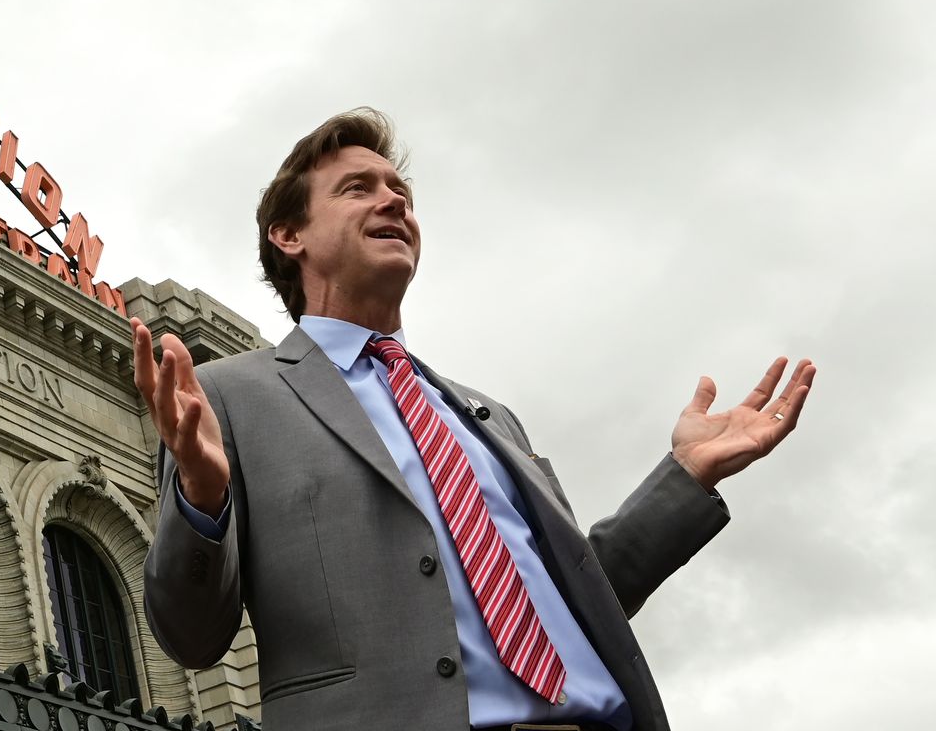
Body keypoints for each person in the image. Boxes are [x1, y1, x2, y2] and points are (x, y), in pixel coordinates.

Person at [135, 109, 814, 731]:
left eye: (399, 190)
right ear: (290, 235)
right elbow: (192, 637)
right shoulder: (227, 396)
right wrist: (201, 498)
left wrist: (684, 478)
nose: (393, 199)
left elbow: (578, 601)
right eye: (357, 188)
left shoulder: (491, 419)